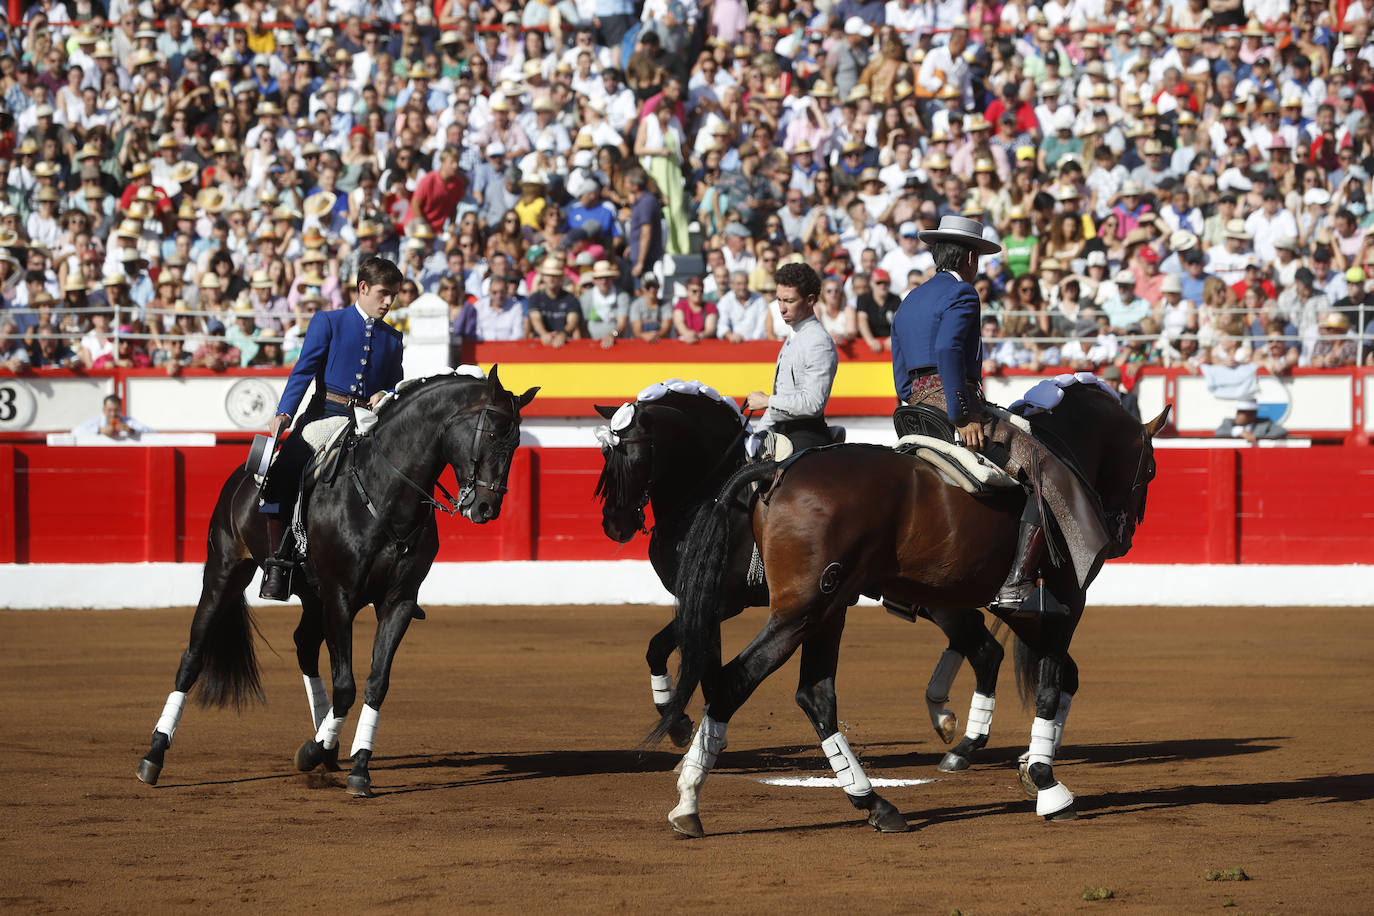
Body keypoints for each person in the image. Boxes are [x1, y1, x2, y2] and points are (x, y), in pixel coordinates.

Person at [890, 214, 1112, 615]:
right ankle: (1015, 583)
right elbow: (947, 352)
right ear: (971, 258)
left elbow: (900, 368)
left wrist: (914, 400)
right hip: (955, 404)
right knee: (1043, 466)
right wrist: (961, 414)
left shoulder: (911, 299)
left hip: (913, 408)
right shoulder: (963, 294)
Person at [258, 256, 406, 601]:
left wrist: (387, 392)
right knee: (283, 473)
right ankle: (280, 561)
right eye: (383, 293)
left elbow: (395, 384)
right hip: (325, 415)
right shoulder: (329, 321)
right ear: (363, 288)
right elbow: (304, 371)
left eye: (394, 296)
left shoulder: (393, 338)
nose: (388, 302)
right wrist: (285, 412)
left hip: (370, 423)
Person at [744, 262, 837, 453]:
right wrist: (757, 434)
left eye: (789, 301)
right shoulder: (794, 335)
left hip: (806, 438)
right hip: (783, 433)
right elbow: (783, 400)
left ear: (810, 300)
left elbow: (813, 403)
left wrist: (767, 401)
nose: (781, 308)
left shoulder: (818, 341)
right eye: (779, 300)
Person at [73, 394, 153, 440]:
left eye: (116, 410)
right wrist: (100, 430)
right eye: (109, 410)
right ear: (104, 410)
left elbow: (152, 432)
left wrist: (131, 430)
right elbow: (75, 431)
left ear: (121, 409)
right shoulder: (97, 421)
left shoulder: (127, 422)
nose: (113, 414)